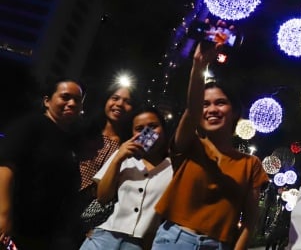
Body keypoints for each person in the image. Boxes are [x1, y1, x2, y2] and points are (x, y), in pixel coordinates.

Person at [152, 42, 269, 250]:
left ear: (234, 112)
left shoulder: (251, 164)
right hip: (173, 241)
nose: (212, 109)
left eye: (220, 103)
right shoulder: (189, 144)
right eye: (206, 104)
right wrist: (198, 65)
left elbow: (250, 223)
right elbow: (192, 110)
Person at [0, 78, 85, 249]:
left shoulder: (70, 140)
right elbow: (5, 166)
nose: (71, 103)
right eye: (65, 97)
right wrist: (3, 215)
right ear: (47, 101)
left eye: (77, 100)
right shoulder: (31, 125)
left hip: (42, 234)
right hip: (15, 226)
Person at [79, 106, 173, 250]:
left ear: (164, 129)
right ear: (132, 133)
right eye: (139, 129)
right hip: (104, 236)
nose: (147, 133)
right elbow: (103, 197)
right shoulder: (122, 157)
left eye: (153, 126)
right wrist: (118, 159)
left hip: (140, 244)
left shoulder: (173, 167)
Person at [77, 84, 136, 239]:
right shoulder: (84, 128)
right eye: (115, 98)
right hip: (66, 197)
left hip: (94, 212)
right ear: (106, 100)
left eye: (127, 101)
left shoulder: (130, 145)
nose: (119, 104)